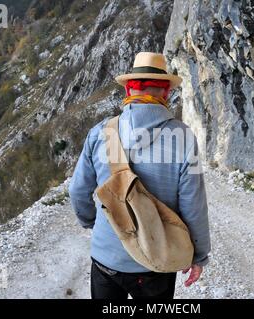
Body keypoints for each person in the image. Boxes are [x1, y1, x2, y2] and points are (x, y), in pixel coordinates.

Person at [69, 52, 210, 299]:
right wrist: (198, 255)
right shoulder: (185, 138)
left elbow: (77, 191)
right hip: (156, 259)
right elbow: (193, 205)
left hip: (106, 260)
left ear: (128, 91)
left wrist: (93, 223)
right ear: (166, 93)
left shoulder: (101, 132)